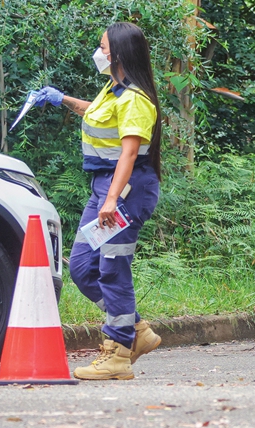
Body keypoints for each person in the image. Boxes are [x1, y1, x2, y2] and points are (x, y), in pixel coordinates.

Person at [59, 22, 163, 380]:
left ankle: (118, 353)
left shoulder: (136, 98)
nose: (99, 52)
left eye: (103, 47)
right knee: (82, 266)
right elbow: (98, 114)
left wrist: (113, 199)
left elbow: (129, 154)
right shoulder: (114, 89)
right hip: (104, 188)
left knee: (111, 267)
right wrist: (62, 99)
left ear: (118, 55)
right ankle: (136, 330)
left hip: (125, 191)